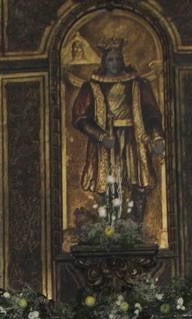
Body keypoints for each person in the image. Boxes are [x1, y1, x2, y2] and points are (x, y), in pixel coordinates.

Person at [70, 38, 166, 221]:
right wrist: (99, 135)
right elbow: (80, 118)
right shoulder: (92, 86)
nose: (114, 63)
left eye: (117, 59)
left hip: (133, 139)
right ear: (104, 62)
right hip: (107, 142)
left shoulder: (138, 84)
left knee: (137, 181)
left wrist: (157, 137)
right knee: (110, 183)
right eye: (110, 59)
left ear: (123, 60)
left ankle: (135, 226)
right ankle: (112, 228)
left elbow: (152, 115)